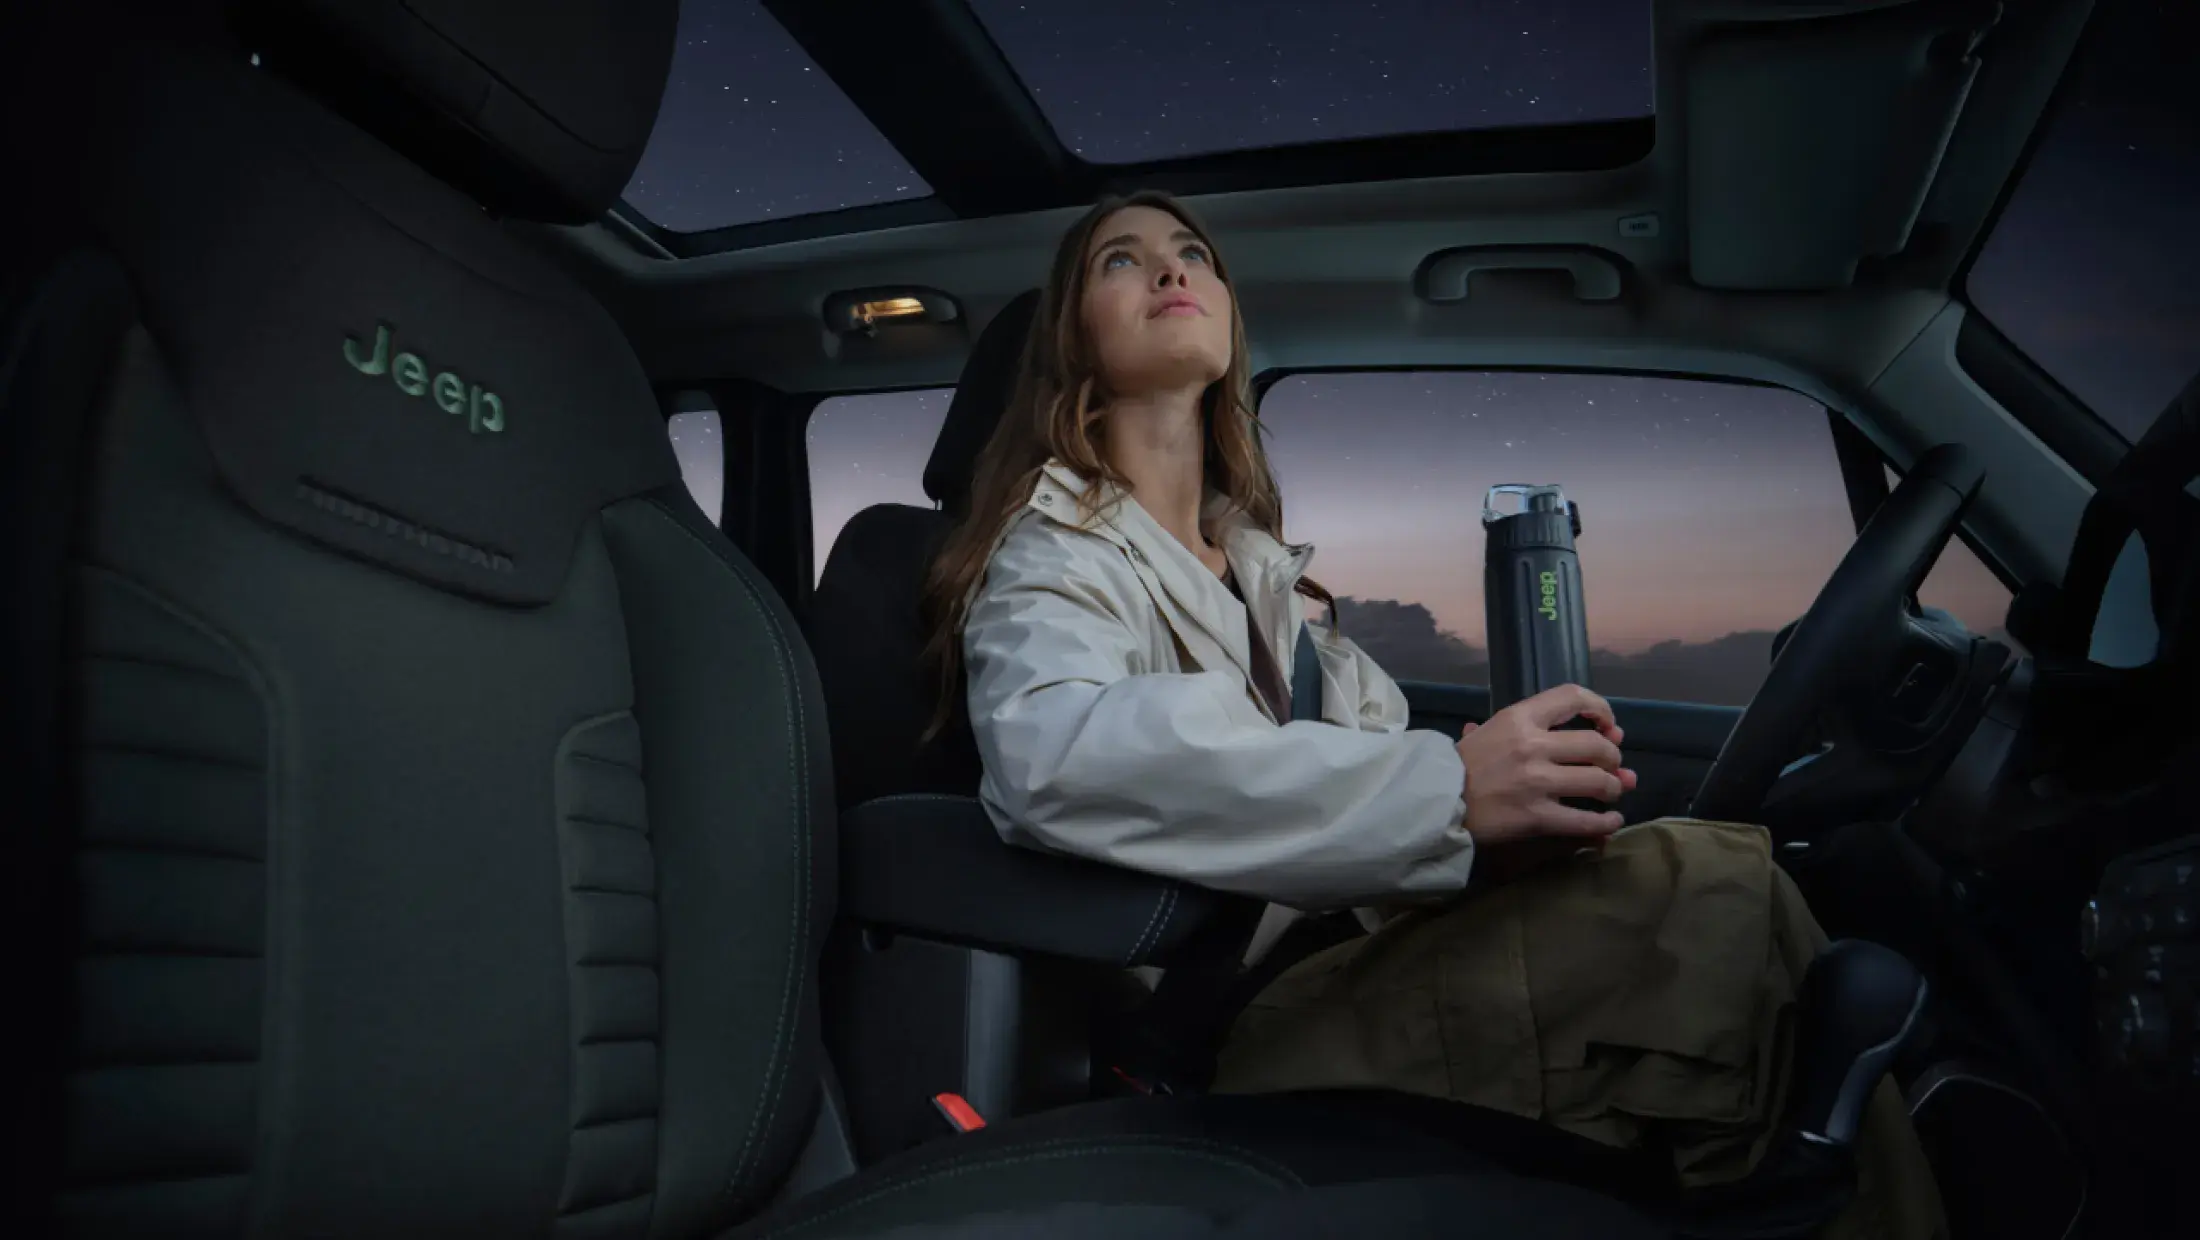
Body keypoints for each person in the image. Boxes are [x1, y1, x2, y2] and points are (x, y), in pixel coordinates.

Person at [919, 190, 1946, 1240]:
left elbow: (1365, 773)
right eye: (1120, 263)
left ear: (1228, 318)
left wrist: (1497, 824)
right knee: (1713, 892)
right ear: (1071, 338)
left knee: (1724, 903)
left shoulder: (1268, 573)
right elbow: (1058, 750)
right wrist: (1449, 791)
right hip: (1230, 1017)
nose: (1173, 271)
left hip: (1356, 950)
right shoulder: (1050, 552)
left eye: (1192, 253)